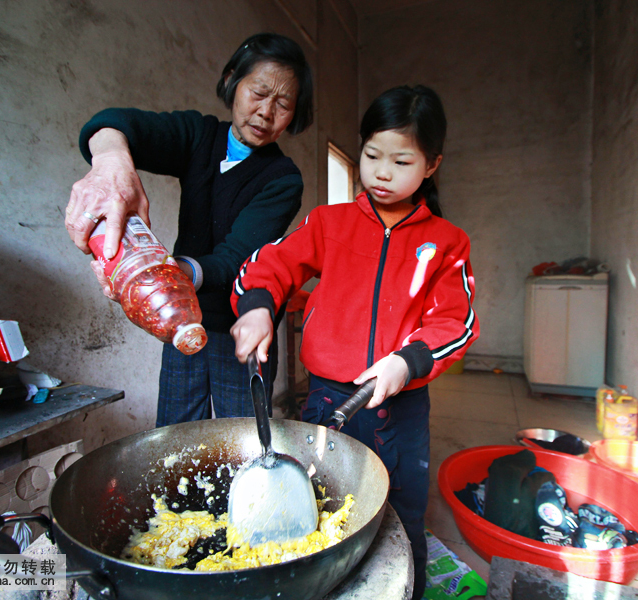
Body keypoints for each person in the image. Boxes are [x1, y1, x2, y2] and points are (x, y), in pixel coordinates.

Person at [229, 84, 479, 600]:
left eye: (402, 161)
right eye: (371, 156)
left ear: (431, 165)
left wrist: (406, 364)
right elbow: (272, 264)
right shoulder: (329, 223)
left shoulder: (448, 243)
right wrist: (257, 307)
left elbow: (457, 322)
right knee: (322, 496)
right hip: (327, 396)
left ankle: (403, 587)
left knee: (402, 505)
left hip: (399, 404)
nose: (383, 173)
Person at [64, 33, 314, 426]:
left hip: (244, 330)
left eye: (283, 104)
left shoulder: (282, 178)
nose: (266, 112)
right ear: (234, 81)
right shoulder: (200, 136)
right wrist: (111, 160)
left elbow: (236, 260)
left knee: (245, 441)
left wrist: (172, 276)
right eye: (259, 93)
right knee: (178, 438)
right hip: (183, 323)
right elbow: (116, 123)